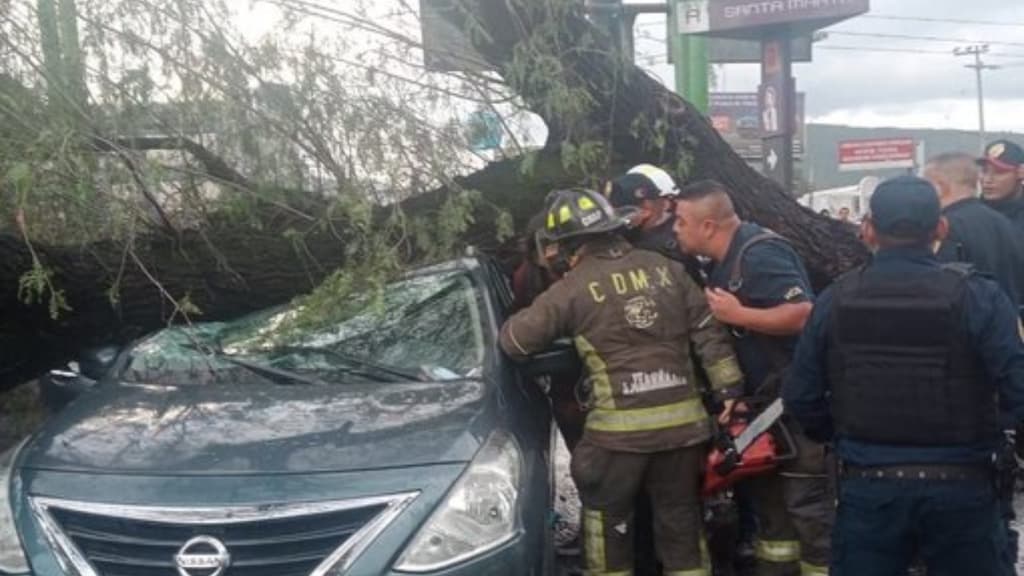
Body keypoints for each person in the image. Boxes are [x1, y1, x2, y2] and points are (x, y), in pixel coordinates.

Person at [784, 175, 1024, 576]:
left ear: (868, 230)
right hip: (963, 489)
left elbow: (801, 396)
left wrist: (844, 434)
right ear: (941, 228)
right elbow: (1018, 387)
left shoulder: (835, 300)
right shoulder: (978, 297)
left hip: (869, 489)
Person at [500, 188, 745, 576]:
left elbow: (514, 342)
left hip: (615, 443)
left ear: (568, 245)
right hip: (683, 435)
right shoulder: (667, 268)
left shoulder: (571, 289)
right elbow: (707, 330)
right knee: (682, 526)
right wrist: (729, 390)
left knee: (607, 533)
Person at [674, 180, 833, 576]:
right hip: (766, 412)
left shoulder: (760, 255)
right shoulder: (722, 263)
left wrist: (739, 315)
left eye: (680, 221)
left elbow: (804, 314)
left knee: (809, 513)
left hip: (797, 411)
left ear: (708, 226)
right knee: (773, 520)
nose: (674, 229)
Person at [925, 152, 1024, 312]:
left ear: (940, 187)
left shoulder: (944, 227)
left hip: (967, 322)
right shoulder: (1003, 222)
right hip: (1007, 320)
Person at [979, 140, 1024, 230]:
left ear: (1020, 173)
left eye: (999, 172)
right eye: (984, 171)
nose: (987, 180)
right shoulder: (970, 215)